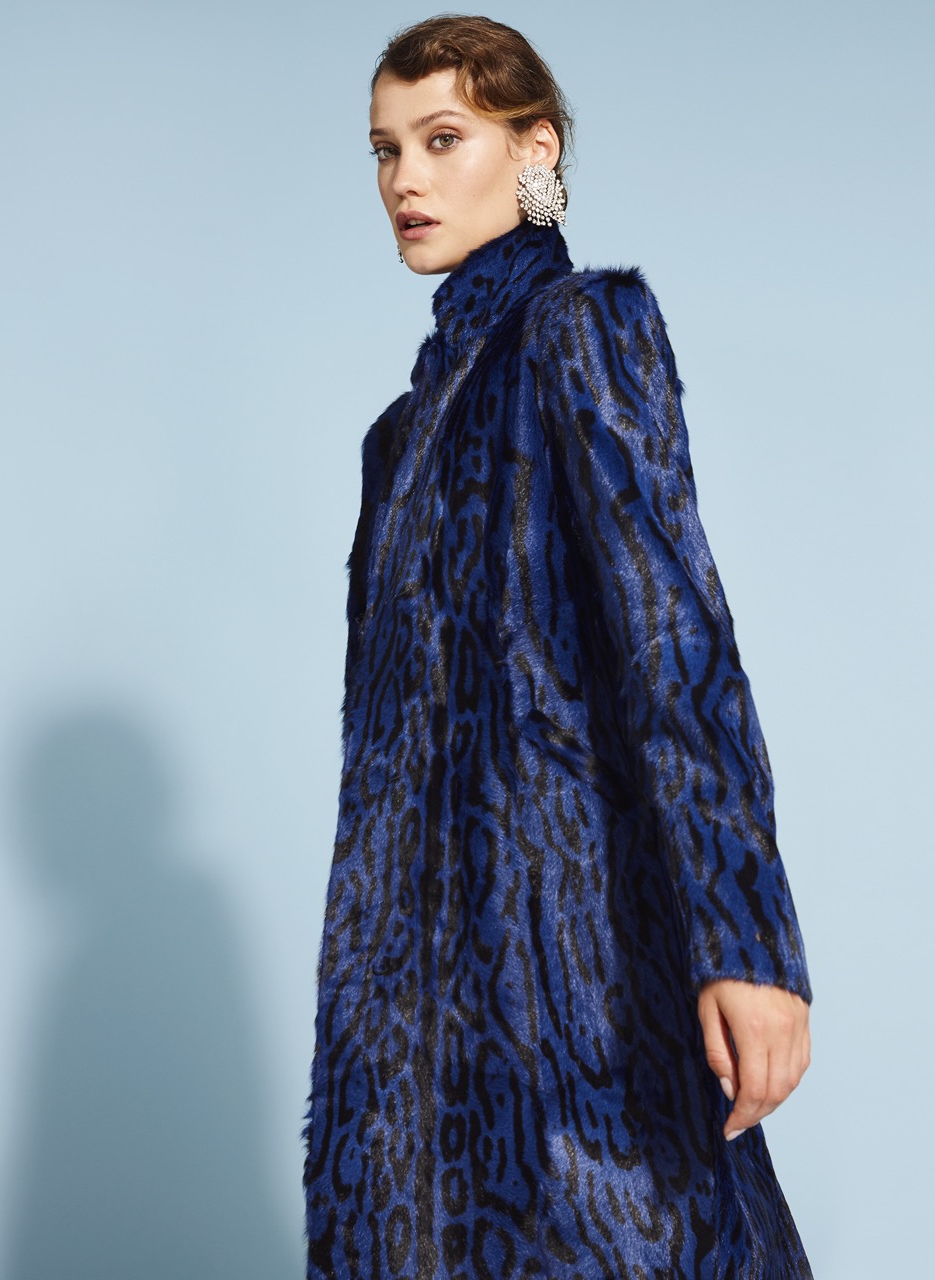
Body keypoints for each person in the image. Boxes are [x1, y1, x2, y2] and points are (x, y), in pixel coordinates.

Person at [302, 15, 816, 1278]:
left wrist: (746, 942)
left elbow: (675, 638)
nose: (406, 179)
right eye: (385, 150)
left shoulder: (583, 330)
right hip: (410, 1008)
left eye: (443, 139)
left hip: (570, 962)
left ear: (534, 150)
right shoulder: (395, 440)